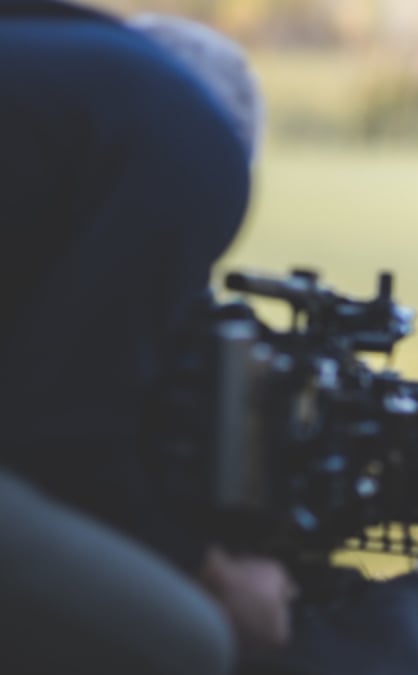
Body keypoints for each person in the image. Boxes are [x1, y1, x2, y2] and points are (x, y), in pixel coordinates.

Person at [0, 2, 289, 673]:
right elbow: (58, 438)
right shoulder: (190, 135)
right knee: (191, 638)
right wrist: (216, 572)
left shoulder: (48, 58)